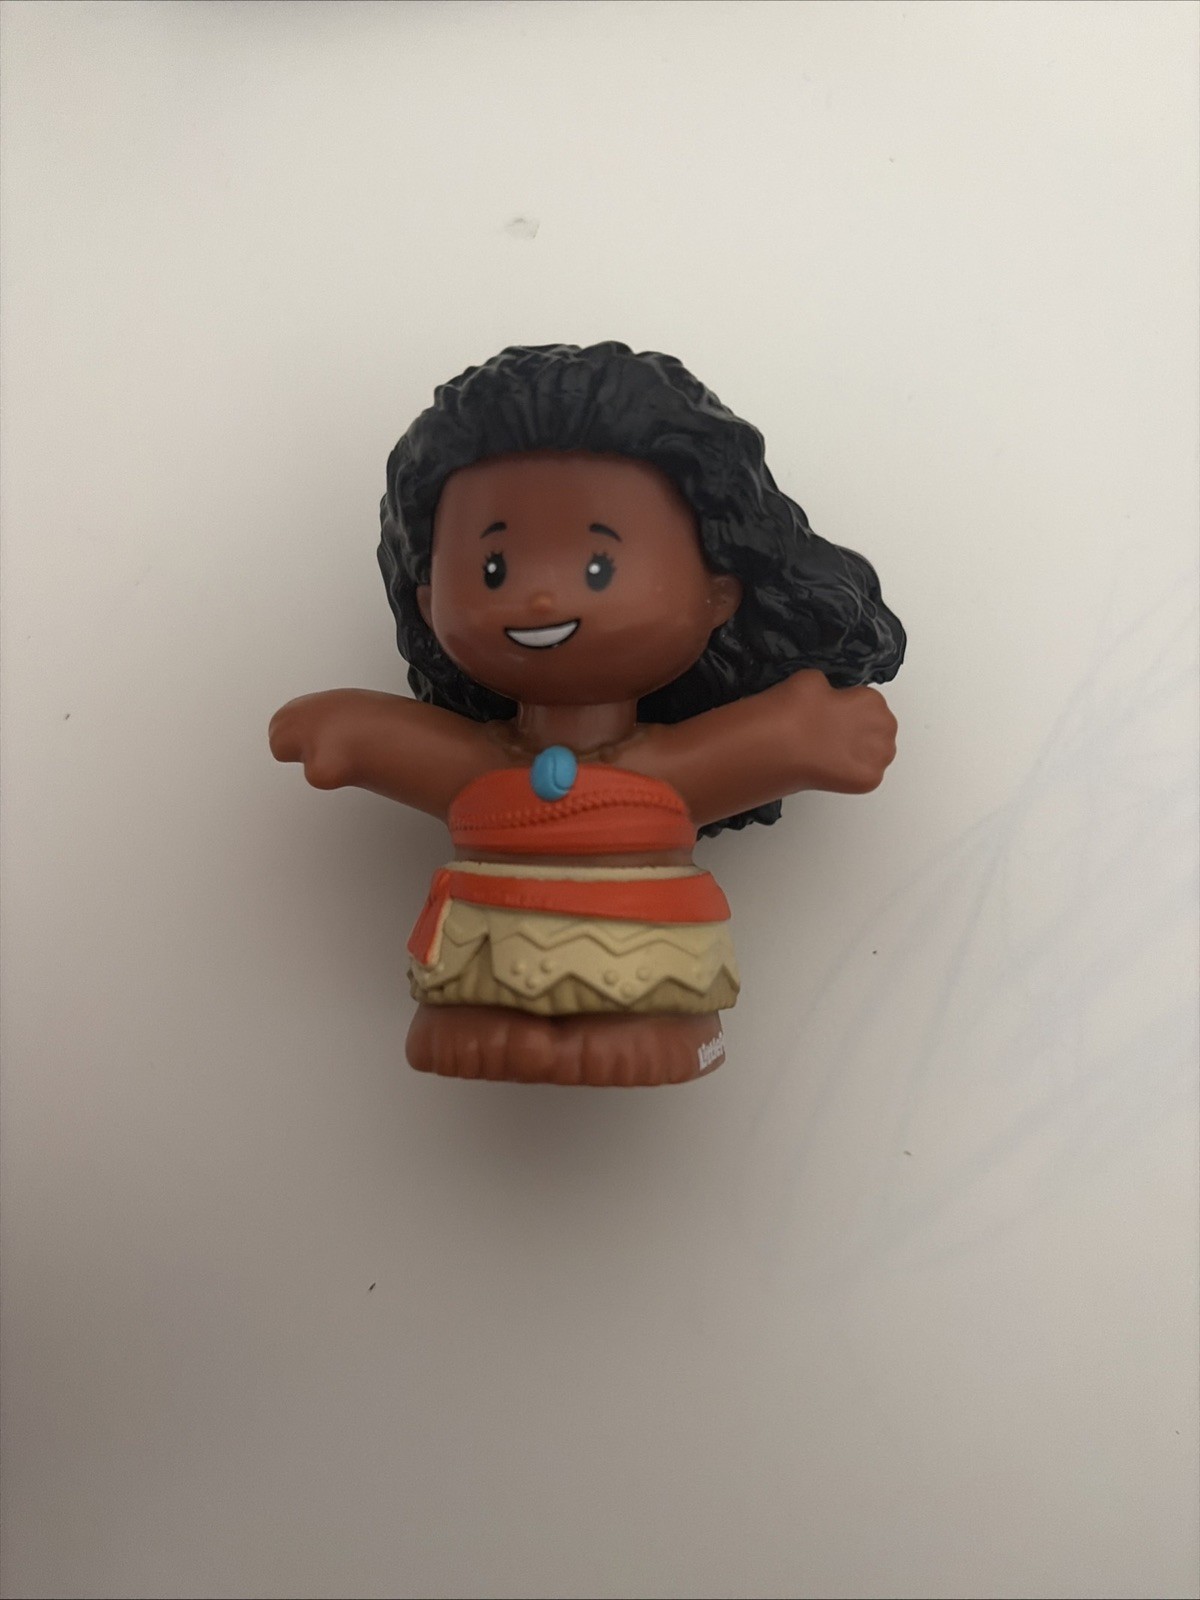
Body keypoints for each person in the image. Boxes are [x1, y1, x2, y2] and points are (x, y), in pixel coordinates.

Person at [269, 343, 904, 1086]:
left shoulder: (666, 766)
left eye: (598, 567)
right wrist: (351, 731)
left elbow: (740, 756)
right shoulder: (485, 758)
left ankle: (665, 1028)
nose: (541, 597)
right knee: (478, 1001)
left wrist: (804, 736)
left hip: (644, 956)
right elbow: (428, 755)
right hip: (485, 946)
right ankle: (477, 1017)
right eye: (494, 568)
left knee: (638, 1002)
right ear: (428, 600)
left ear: (718, 595)